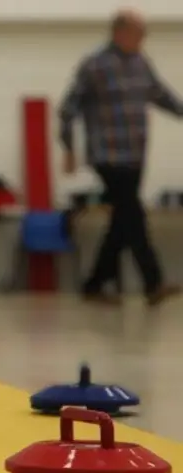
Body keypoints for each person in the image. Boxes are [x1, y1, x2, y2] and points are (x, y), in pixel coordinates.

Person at [58, 9, 182, 306]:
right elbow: (68, 108)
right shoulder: (95, 65)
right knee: (133, 214)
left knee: (123, 220)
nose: (144, 39)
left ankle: (95, 284)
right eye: (140, 33)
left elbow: (161, 95)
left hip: (136, 154)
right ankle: (153, 283)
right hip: (108, 154)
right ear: (120, 33)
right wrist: (68, 149)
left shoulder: (141, 63)